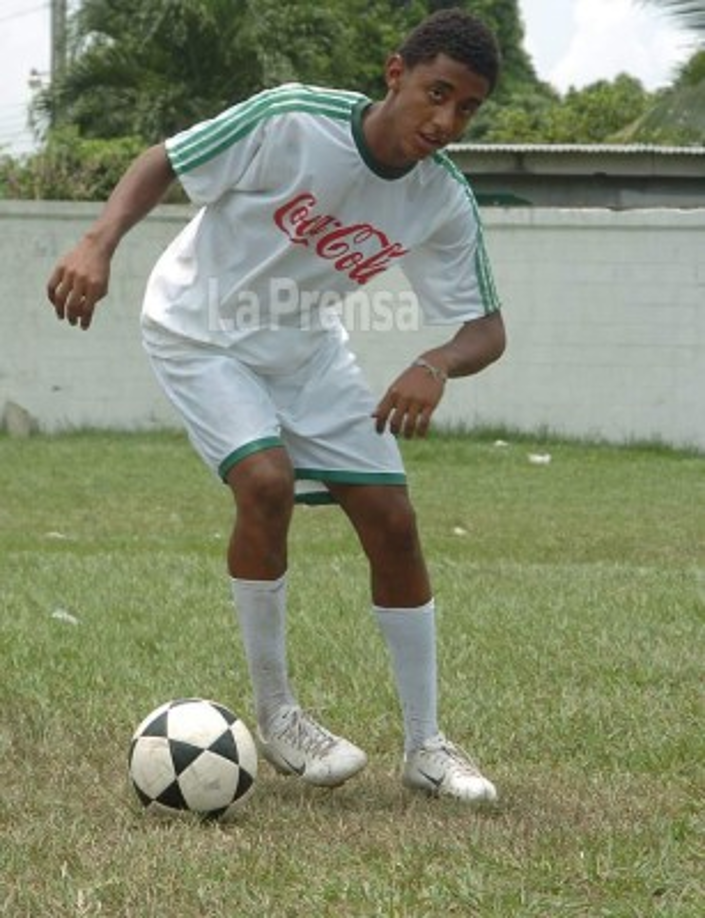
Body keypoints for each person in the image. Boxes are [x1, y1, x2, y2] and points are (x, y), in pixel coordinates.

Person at [47, 8, 506, 804]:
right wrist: (99, 241)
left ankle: (425, 746)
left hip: (306, 349)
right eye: (436, 93)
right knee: (264, 483)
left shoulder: (441, 197)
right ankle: (279, 714)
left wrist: (435, 362)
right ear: (395, 74)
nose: (446, 120)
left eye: (466, 107)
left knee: (393, 523)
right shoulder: (293, 118)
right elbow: (165, 158)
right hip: (200, 327)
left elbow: (487, 327)